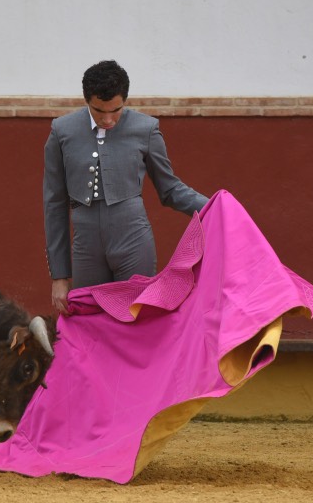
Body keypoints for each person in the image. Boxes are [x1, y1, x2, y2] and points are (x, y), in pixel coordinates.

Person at [43, 60, 208, 314]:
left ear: (125, 100)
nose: (108, 119)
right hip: (86, 246)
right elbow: (54, 204)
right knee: (90, 322)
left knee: (137, 320)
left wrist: (214, 206)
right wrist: (59, 275)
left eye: (116, 110)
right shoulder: (62, 130)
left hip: (132, 239)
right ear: (87, 101)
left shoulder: (145, 128)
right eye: (99, 111)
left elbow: (170, 189)